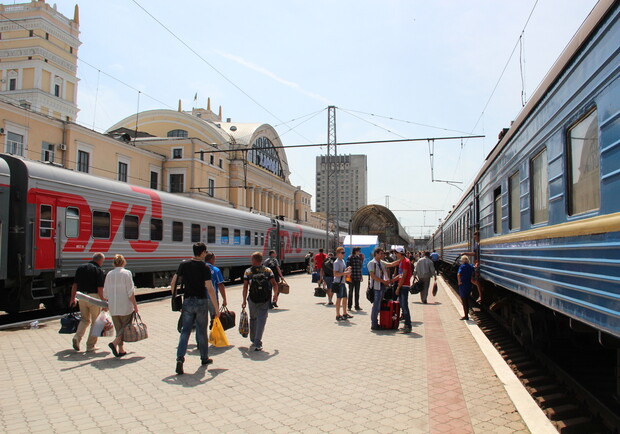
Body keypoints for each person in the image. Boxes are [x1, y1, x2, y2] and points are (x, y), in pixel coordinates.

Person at [169, 242, 219, 375]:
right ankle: (204, 358)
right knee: (201, 331)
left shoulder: (183, 264)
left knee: (185, 331)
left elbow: (173, 283)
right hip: (202, 301)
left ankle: (180, 359)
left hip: (188, 301)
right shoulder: (204, 267)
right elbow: (209, 287)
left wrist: (175, 298)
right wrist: (216, 307)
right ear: (202, 253)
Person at [69, 252, 106, 352]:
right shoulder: (98, 270)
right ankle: (90, 346)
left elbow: (75, 285)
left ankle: (77, 337)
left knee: (84, 320)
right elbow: (100, 288)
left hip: (82, 297)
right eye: (103, 261)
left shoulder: (81, 268)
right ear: (100, 260)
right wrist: (104, 302)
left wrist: (72, 298)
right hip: (94, 298)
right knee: (96, 322)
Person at [242, 252, 279, 351]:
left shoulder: (248, 271)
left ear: (254, 260)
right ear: (261, 260)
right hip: (265, 299)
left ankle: (253, 339)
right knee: (261, 320)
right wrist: (275, 295)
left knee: (253, 318)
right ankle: (257, 342)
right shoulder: (268, 270)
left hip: (252, 299)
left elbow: (245, 287)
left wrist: (244, 300)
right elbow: (274, 284)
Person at [103, 254, 138, 357]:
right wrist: (135, 306)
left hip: (113, 306)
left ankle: (121, 349)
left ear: (114, 263)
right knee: (126, 327)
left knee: (119, 328)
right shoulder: (127, 273)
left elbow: (105, 292)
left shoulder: (109, 274)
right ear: (124, 262)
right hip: (125, 305)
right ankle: (114, 343)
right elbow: (130, 292)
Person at [367, 248, 391, 330]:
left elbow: (390, 265)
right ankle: (374, 323)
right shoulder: (371, 263)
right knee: (376, 306)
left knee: (379, 305)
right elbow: (373, 276)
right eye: (381, 253)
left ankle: (377, 322)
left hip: (382, 286)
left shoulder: (381, 263)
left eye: (383, 253)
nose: (382, 255)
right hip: (376, 287)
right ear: (376, 254)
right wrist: (383, 281)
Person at [391, 247, 413, 333]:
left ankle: (408, 325)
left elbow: (404, 277)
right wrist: (392, 280)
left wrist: (398, 287)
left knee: (404, 306)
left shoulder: (405, 262)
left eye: (396, 253)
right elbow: (400, 275)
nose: (395, 255)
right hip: (402, 285)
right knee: (402, 305)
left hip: (404, 286)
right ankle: (406, 325)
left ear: (400, 253)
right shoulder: (402, 261)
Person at [205, 252, 227, 325]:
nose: (215, 261)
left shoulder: (199, 269)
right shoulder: (215, 270)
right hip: (212, 298)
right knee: (214, 319)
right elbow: (220, 285)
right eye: (214, 259)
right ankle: (214, 334)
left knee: (202, 320)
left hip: (200, 298)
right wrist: (224, 299)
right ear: (211, 259)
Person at [333, 247, 352, 321]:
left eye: (344, 253)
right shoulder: (336, 262)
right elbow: (335, 273)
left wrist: (347, 269)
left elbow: (342, 271)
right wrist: (345, 273)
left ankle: (345, 313)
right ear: (338, 254)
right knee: (339, 298)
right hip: (338, 283)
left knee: (345, 298)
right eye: (342, 253)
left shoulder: (342, 261)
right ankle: (337, 314)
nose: (344, 254)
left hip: (342, 282)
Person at [458, 255, 476, 320]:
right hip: (469, 284)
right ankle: (467, 314)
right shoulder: (471, 266)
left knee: (464, 300)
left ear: (463, 260)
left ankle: (466, 316)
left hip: (463, 285)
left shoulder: (462, 266)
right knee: (467, 300)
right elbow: (474, 271)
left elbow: (459, 274)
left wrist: (459, 282)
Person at [346, 247, 364, 311]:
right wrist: (348, 278)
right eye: (359, 251)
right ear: (355, 251)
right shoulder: (350, 258)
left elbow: (360, 268)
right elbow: (348, 268)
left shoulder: (359, 258)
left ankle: (357, 306)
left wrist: (361, 276)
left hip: (358, 277)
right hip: (351, 278)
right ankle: (349, 306)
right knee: (350, 292)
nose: (360, 252)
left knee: (357, 292)